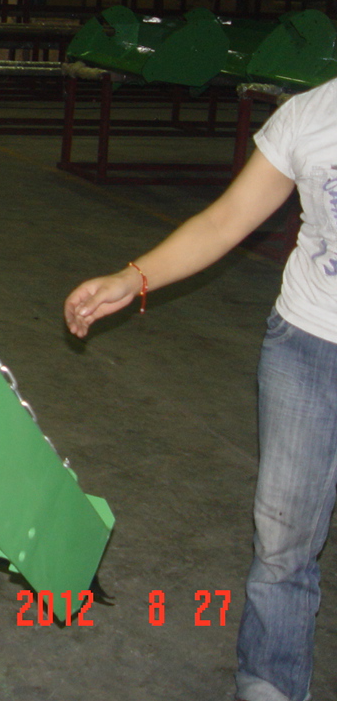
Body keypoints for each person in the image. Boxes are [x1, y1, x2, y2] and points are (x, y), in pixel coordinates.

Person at [65, 76, 337, 701]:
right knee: (283, 541)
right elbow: (223, 222)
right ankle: (269, 682)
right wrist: (129, 279)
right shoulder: (310, 115)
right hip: (306, 347)